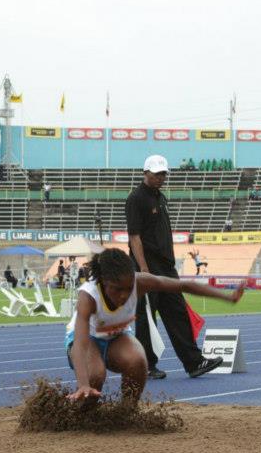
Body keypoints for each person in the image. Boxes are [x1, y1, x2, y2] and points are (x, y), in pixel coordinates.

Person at [66, 248, 245, 402]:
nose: (124, 295)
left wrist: (227, 297)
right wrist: (83, 385)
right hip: (87, 340)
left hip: (117, 338)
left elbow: (184, 286)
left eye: (128, 288)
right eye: (117, 289)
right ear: (103, 282)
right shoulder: (88, 296)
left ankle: (126, 413)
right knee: (96, 375)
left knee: (138, 361)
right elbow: (80, 345)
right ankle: (82, 415)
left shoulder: (140, 282)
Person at [126, 154, 225, 380]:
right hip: (147, 267)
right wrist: (143, 270)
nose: (161, 177)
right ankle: (146, 366)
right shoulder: (136, 198)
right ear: (145, 173)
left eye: (163, 174)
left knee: (178, 313)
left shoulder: (161, 198)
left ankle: (194, 362)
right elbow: (134, 237)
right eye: (156, 173)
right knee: (146, 318)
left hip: (166, 267)